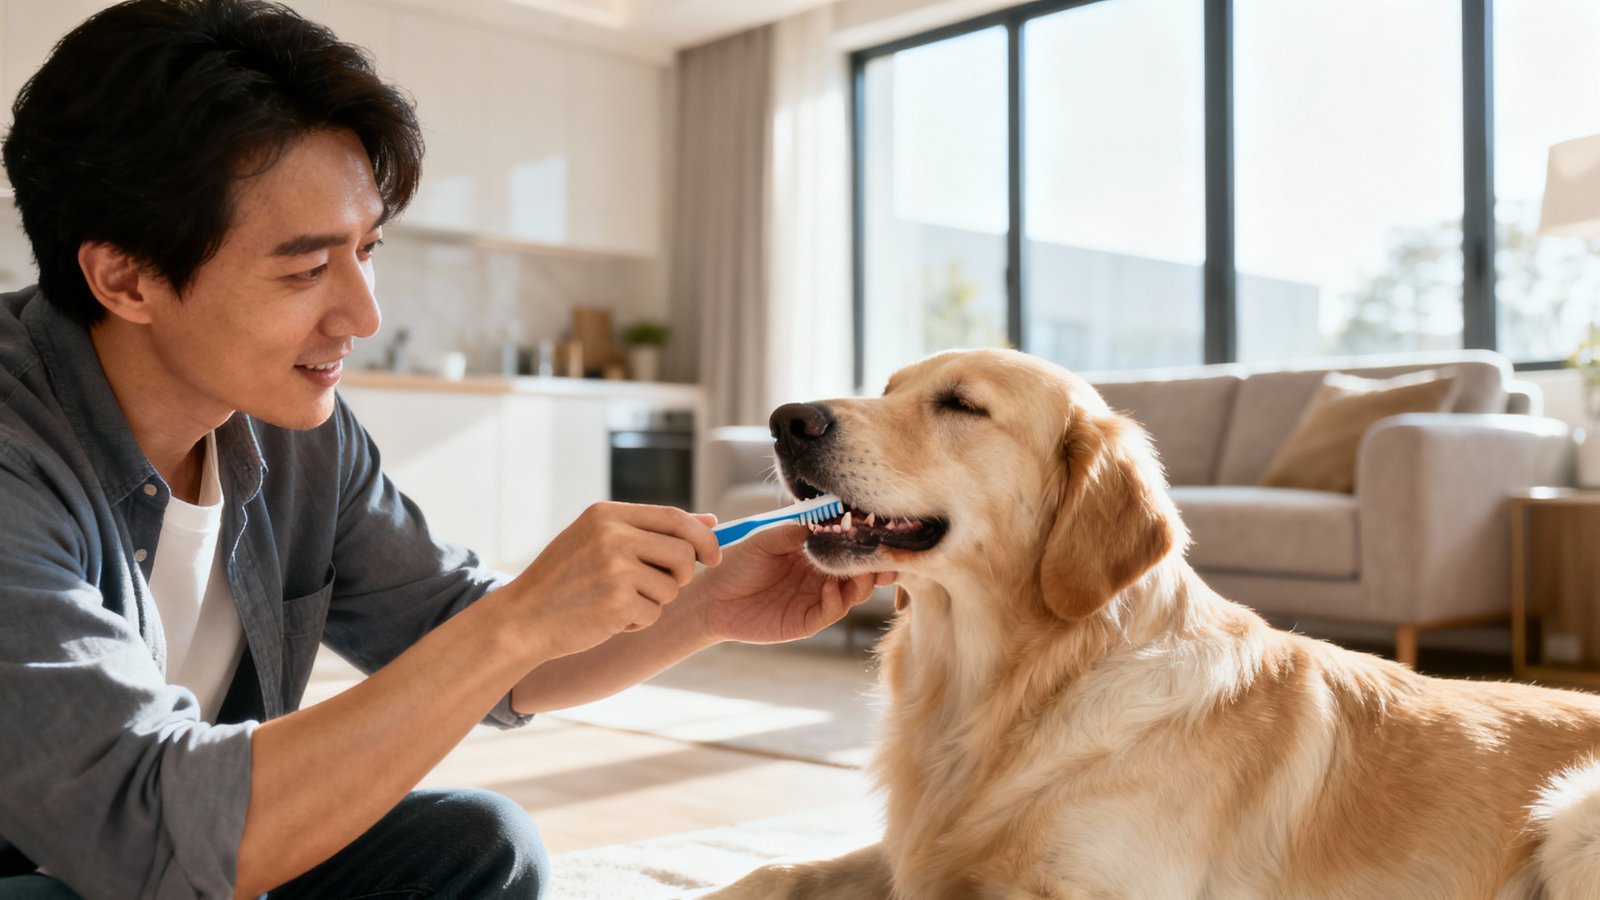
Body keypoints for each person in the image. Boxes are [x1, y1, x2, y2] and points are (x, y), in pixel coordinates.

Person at [0, 1, 892, 897]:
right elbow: (144, 834)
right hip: (74, 864)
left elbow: (475, 648)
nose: (364, 315)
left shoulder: (292, 428)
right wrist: (518, 618)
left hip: (202, 858)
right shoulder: (14, 454)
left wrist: (704, 609)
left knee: (479, 845)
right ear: (125, 277)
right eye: (308, 268)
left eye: (367, 249)